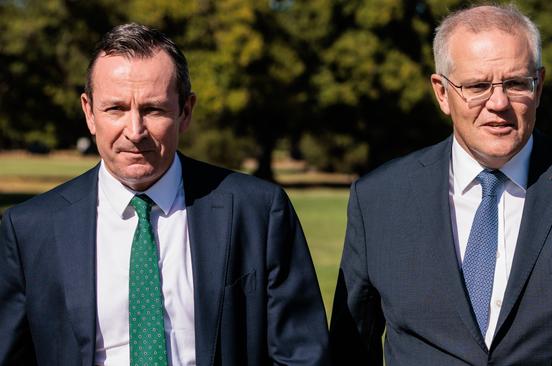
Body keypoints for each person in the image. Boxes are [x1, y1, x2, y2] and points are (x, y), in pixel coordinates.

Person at [329, 4, 552, 365]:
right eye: (478, 86)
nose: (498, 103)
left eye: (515, 84)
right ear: (441, 92)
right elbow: (350, 348)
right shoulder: (378, 199)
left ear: (539, 86)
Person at [0, 23, 329, 365]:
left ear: (185, 111)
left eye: (152, 109)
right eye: (115, 109)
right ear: (89, 112)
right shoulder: (29, 229)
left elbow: (301, 355)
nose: (135, 131)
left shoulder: (258, 212)